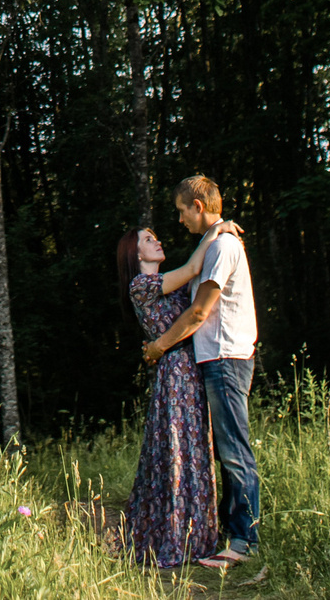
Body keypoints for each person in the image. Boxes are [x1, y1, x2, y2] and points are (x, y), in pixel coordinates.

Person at [144, 174, 260, 573]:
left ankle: (245, 540)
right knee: (225, 449)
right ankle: (233, 534)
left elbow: (199, 312)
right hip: (214, 359)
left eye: (181, 211)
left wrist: (160, 346)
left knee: (233, 450)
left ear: (198, 206)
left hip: (226, 358)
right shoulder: (213, 243)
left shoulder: (224, 246)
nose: (179, 220)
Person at [115, 214, 238, 573]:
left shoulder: (162, 283)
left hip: (190, 366)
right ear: (135, 253)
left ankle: (198, 535)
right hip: (175, 373)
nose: (156, 241)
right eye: (148, 239)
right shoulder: (142, 284)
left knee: (195, 447)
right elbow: (192, 267)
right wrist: (216, 229)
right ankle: (174, 536)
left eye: (155, 237)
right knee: (177, 450)